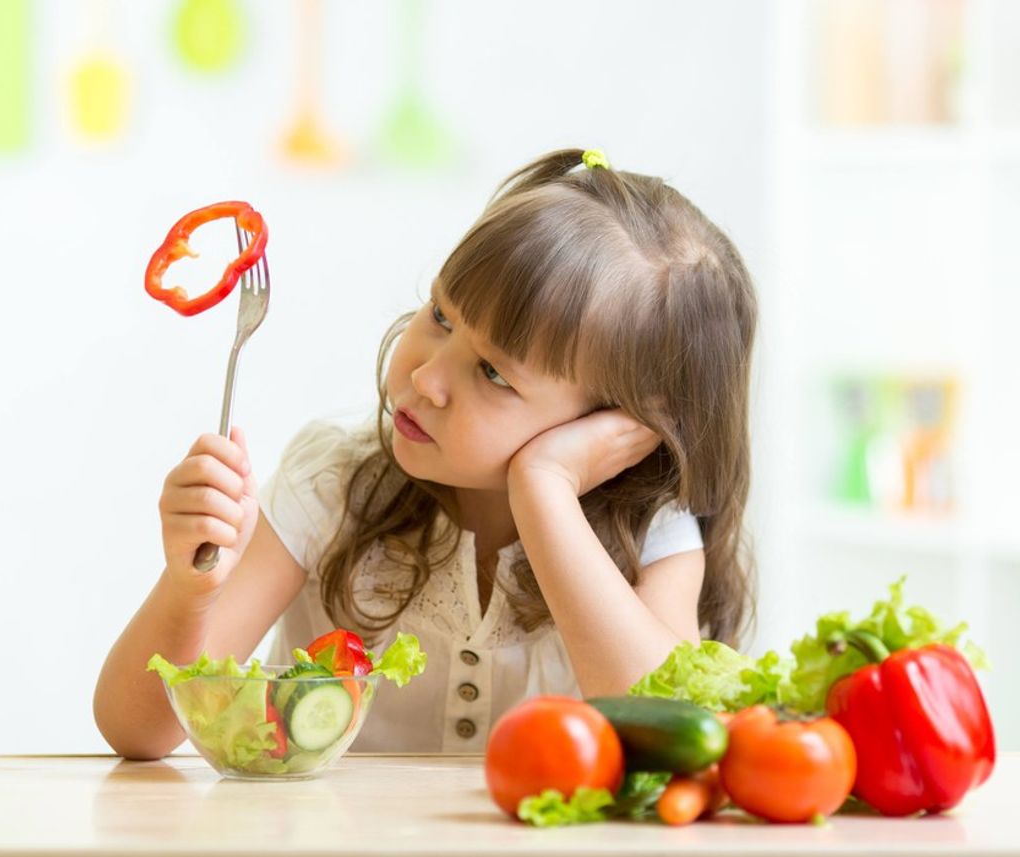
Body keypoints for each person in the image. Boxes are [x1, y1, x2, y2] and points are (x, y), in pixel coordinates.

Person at [94, 147, 757, 759]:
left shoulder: (654, 533)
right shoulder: (329, 484)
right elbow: (141, 729)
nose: (428, 378)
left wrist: (545, 487)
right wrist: (189, 589)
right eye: (441, 316)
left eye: (495, 374)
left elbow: (673, 741)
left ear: (620, 429)